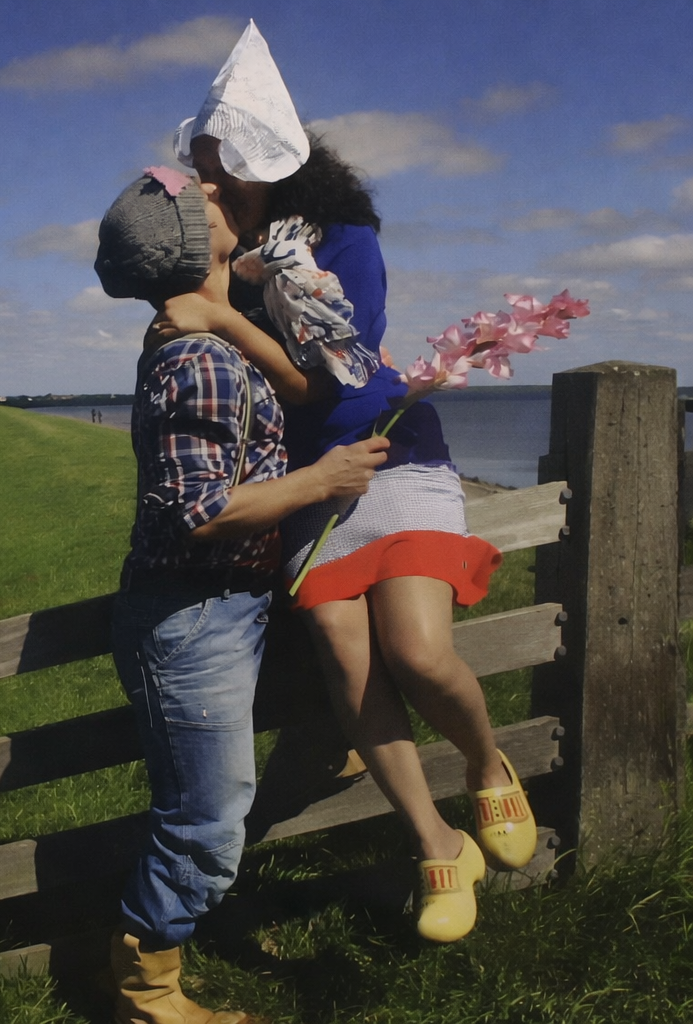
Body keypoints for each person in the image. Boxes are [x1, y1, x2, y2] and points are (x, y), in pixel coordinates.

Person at [157, 20, 537, 945]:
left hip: (385, 455)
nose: (206, 186)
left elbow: (342, 374)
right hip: (307, 485)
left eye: (219, 169)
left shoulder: (341, 240)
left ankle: (489, 770)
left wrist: (229, 316)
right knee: (345, 652)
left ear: (268, 166)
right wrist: (211, 306)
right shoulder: (212, 267)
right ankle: (435, 842)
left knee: (416, 651)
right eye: (198, 170)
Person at [95, 165, 388, 1024]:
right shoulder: (194, 359)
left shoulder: (209, 339)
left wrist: (229, 313)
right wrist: (322, 478)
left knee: (211, 809)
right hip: (193, 618)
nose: (229, 195)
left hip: (229, 607)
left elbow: (300, 388)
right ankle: (144, 996)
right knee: (205, 826)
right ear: (195, 242)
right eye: (210, 200)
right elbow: (199, 513)